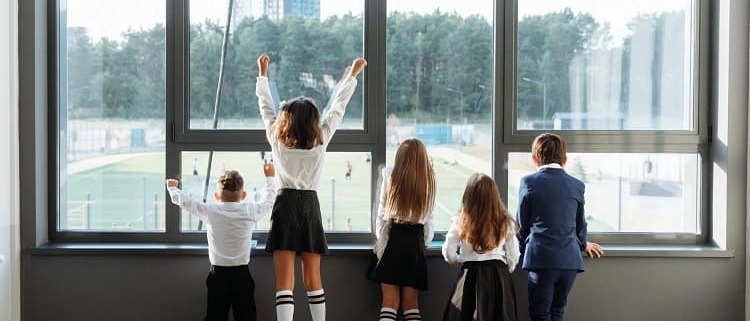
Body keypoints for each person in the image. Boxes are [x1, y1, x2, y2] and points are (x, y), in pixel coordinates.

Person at [256, 53, 367, 321]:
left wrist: (262, 75)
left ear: (287, 120)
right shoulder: (320, 141)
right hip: (309, 208)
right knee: (313, 277)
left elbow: (266, 108)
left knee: (284, 282)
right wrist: (351, 76)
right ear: (313, 121)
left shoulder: (277, 140)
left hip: (284, 207)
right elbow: (337, 108)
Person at [165, 163, 276, 321]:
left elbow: (186, 203)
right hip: (242, 275)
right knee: (246, 317)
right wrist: (270, 178)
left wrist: (172, 188)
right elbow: (269, 200)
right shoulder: (250, 210)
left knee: (215, 316)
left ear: (217, 197)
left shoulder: (211, 211)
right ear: (243, 195)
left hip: (218, 275)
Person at [516, 133, 604, 321]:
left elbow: (522, 225)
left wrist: (517, 248)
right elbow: (580, 223)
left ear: (534, 158)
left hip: (541, 260)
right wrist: (583, 244)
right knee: (557, 311)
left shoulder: (528, 182)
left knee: (540, 314)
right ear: (565, 159)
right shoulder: (577, 185)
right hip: (569, 261)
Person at [369, 138, 435, 321]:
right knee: (411, 305)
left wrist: (381, 241)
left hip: (393, 240)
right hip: (415, 243)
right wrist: (424, 243)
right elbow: (429, 219)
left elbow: (381, 212)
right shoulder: (428, 180)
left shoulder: (390, 174)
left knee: (389, 303)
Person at [442, 173, 520, 321]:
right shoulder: (505, 221)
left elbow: (448, 251)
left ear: (468, 196)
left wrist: (458, 259)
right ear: (494, 196)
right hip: (498, 277)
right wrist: (504, 271)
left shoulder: (460, 220)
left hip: (470, 275)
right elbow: (513, 255)